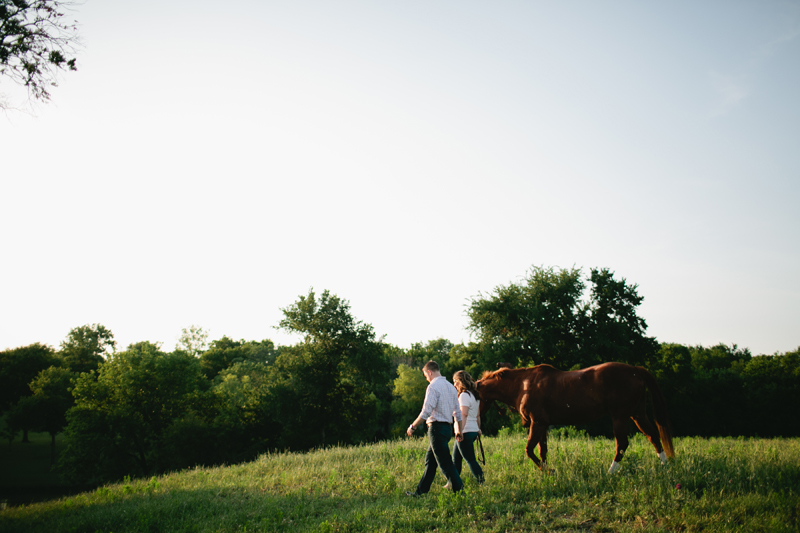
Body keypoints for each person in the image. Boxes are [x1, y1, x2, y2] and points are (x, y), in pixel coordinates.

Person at [406, 360, 464, 496]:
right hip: (448, 429)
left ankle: (460, 491)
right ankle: (420, 492)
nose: (427, 379)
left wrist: (413, 426)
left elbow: (426, 412)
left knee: (445, 463)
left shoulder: (433, 387)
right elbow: (458, 413)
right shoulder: (451, 387)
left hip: (436, 428)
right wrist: (459, 430)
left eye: (426, 376)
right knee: (430, 461)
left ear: (429, 372)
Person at [448, 370, 485, 486]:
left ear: (461, 381)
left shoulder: (464, 395)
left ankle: (482, 482)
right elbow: (478, 415)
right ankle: (452, 483)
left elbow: (463, 415)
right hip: (472, 430)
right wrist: (478, 429)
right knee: (456, 459)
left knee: (470, 460)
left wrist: (459, 431)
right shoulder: (474, 395)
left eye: (456, 382)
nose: (454, 385)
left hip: (465, 431)